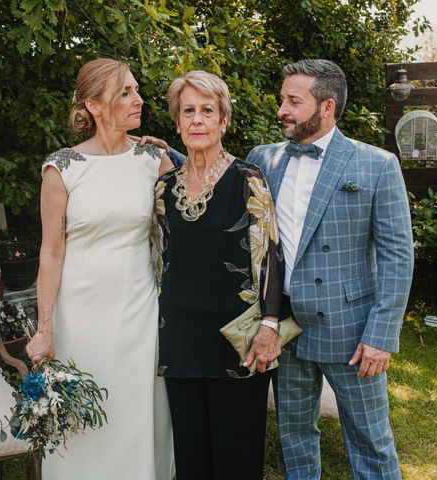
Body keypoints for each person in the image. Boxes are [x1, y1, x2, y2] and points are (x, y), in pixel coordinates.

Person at [246, 59, 413, 479]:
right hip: (287, 329)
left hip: (354, 334)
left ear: (327, 107)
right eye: (282, 99)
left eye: (293, 101)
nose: (282, 109)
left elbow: (397, 255)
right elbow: (215, 179)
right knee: (295, 438)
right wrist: (169, 153)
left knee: (371, 443)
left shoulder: (377, 165)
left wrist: (381, 335)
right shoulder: (262, 159)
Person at [25, 58, 175, 480]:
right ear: (94, 105)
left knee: (136, 411)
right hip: (80, 313)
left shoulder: (152, 160)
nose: (138, 99)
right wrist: (44, 327)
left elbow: (193, 215)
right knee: (82, 415)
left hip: (138, 309)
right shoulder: (62, 168)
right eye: (125, 92)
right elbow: (51, 252)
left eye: (136, 89)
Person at [152, 70, 286, 480]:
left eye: (207, 111)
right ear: (177, 122)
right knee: (192, 458)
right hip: (181, 340)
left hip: (238, 339)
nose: (196, 120)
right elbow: (159, 262)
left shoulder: (247, 179)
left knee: (236, 458)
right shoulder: (162, 188)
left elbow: (271, 258)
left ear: (223, 120)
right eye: (187, 111)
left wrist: (269, 325)